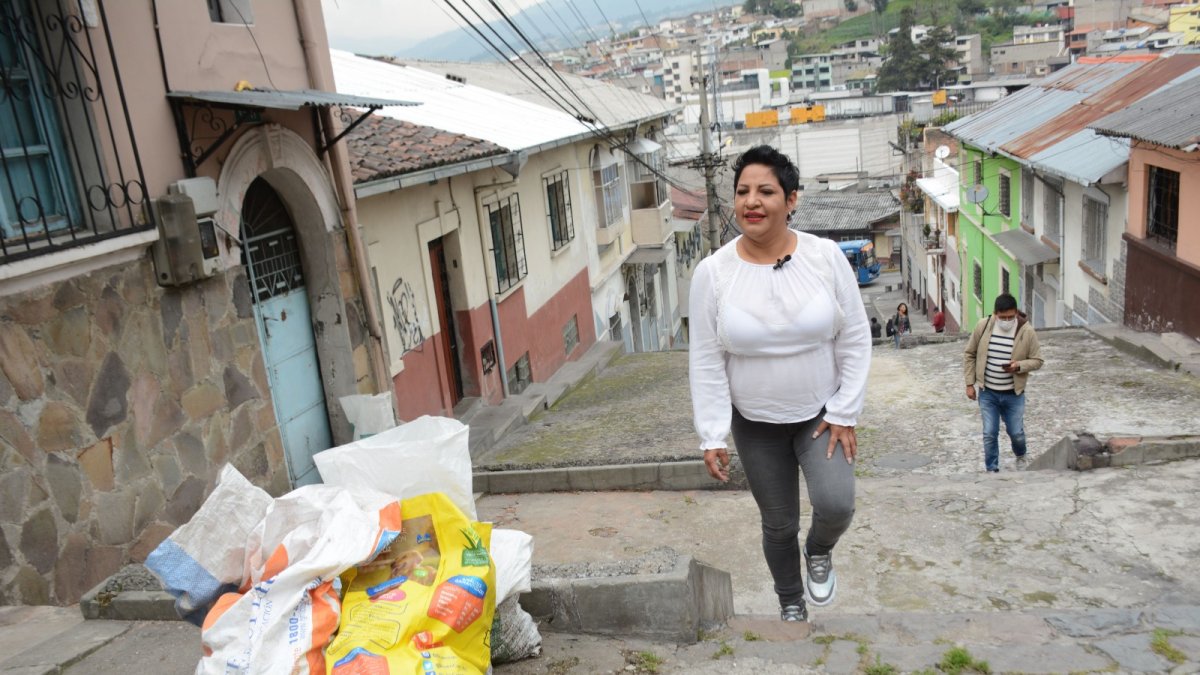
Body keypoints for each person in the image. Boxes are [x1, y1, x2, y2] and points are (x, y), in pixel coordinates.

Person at [688, 145, 872, 623]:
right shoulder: (714, 274)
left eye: (766, 191)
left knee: (835, 504)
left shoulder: (825, 257)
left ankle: (819, 550)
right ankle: (790, 600)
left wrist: (844, 410)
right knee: (778, 522)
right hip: (755, 423)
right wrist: (712, 433)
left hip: (820, 415)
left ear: (791, 200)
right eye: (743, 191)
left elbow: (854, 336)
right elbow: (707, 357)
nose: (752, 201)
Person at [963, 293, 1044, 472]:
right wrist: (970, 383)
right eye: (1003, 317)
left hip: (1013, 394)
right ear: (995, 314)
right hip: (988, 392)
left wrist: (1019, 366)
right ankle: (992, 469)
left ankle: (1021, 454)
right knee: (989, 433)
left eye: (1011, 317)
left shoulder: (1027, 331)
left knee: (1016, 433)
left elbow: (1038, 360)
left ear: (1016, 313)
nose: (1007, 320)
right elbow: (970, 354)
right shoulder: (983, 326)